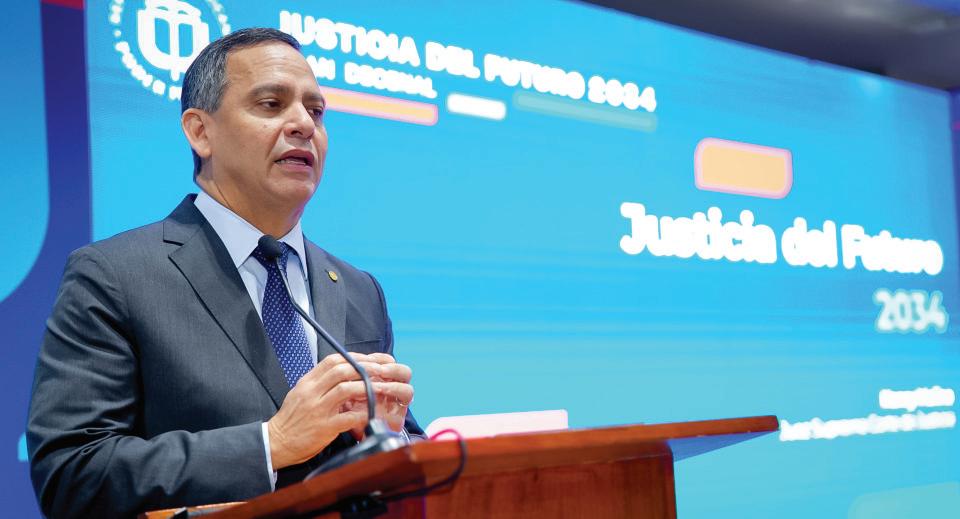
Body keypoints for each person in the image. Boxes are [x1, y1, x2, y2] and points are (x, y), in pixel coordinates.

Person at [27, 28, 421, 518]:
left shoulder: (359, 289)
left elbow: (400, 448)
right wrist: (271, 443)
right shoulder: (115, 276)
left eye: (316, 111)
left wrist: (389, 436)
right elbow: (73, 474)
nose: (303, 124)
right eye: (272, 104)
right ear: (200, 131)